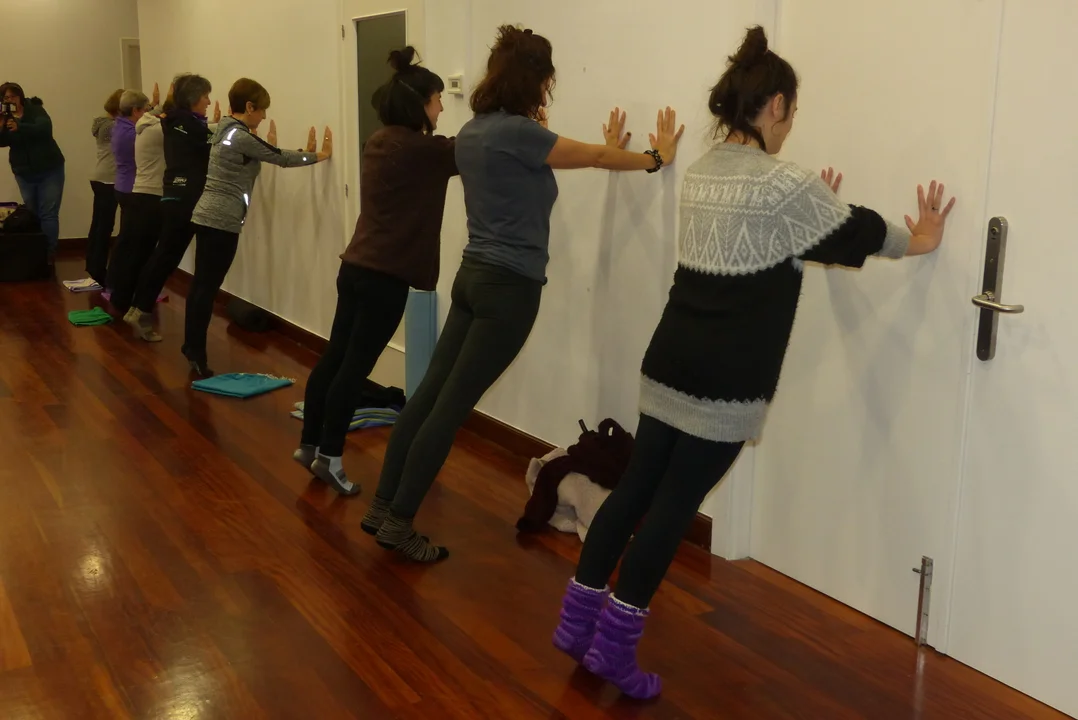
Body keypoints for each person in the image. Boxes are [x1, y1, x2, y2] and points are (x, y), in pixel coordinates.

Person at [550, 26, 957, 700]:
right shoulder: (785, 185)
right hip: (726, 381)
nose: (791, 126)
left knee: (634, 493)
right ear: (774, 105)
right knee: (673, 510)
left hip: (668, 359)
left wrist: (815, 214)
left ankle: (576, 623)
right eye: (791, 113)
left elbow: (776, 243)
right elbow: (856, 230)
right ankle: (613, 651)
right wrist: (919, 240)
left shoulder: (703, 171)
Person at [361, 25, 684, 563]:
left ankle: (381, 509)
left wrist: (591, 146)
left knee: (429, 397)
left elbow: (549, 162)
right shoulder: (519, 134)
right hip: (508, 290)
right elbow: (594, 158)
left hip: (472, 278)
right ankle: (398, 523)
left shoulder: (473, 132)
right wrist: (657, 157)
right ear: (535, 80)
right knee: (449, 410)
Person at [293, 48, 457, 495]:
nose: (442, 108)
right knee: (354, 368)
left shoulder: (380, 140)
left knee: (336, 357)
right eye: (438, 99)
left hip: (356, 267)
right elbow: (473, 150)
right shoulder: (423, 149)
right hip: (385, 277)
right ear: (420, 103)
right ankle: (330, 457)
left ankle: (310, 444)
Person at [183, 78, 332, 377]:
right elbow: (280, 158)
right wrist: (318, 156)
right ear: (249, 107)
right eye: (262, 110)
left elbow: (265, 152)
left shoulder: (224, 129)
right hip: (221, 221)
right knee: (205, 290)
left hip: (207, 217)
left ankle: (192, 348)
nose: (264, 117)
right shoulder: (239, 136)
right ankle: (196, 353)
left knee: (201, 287)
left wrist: (281, 148)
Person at [124, 74, 219, 342]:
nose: (208, 101)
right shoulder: (185, 123)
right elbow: (212, 142)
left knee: (164, 255)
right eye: (205, 96)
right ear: (193, 98)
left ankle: (138, 308)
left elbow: (205, 135)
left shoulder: (177, 120)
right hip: (185, 197)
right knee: (166, 256)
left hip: (175, 194)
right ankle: (140, 309)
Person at [0, 82, 65, 260]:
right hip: (24, 173)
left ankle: (49, 254)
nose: (10, 100)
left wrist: (20, 126)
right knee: (32, 213)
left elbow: (45, 128)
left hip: (50, 169)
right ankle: (35, 255)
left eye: (13, 96)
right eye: (6, 98)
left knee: (49, 214)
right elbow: (2, 142)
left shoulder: (34, 109)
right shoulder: (5, 116)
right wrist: (1, 124)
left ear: (20, 96)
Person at [107, 86, 159, 293]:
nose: (148, 113)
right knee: (134, 242)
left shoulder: (119, 126)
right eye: (145, 109)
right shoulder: (132, 133)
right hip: (131, 190)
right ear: (136, 111)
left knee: (126, 239)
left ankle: (116, 284)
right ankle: (125, 287)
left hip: (123, 186)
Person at [86, 89, 124, 285]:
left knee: (99, 225)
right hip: (108, 180)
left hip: (101, 178)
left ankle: (94, 266)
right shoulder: (111, 126)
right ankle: (98, 270)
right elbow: (135, 127)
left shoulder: (104, 123)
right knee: (103, 227)